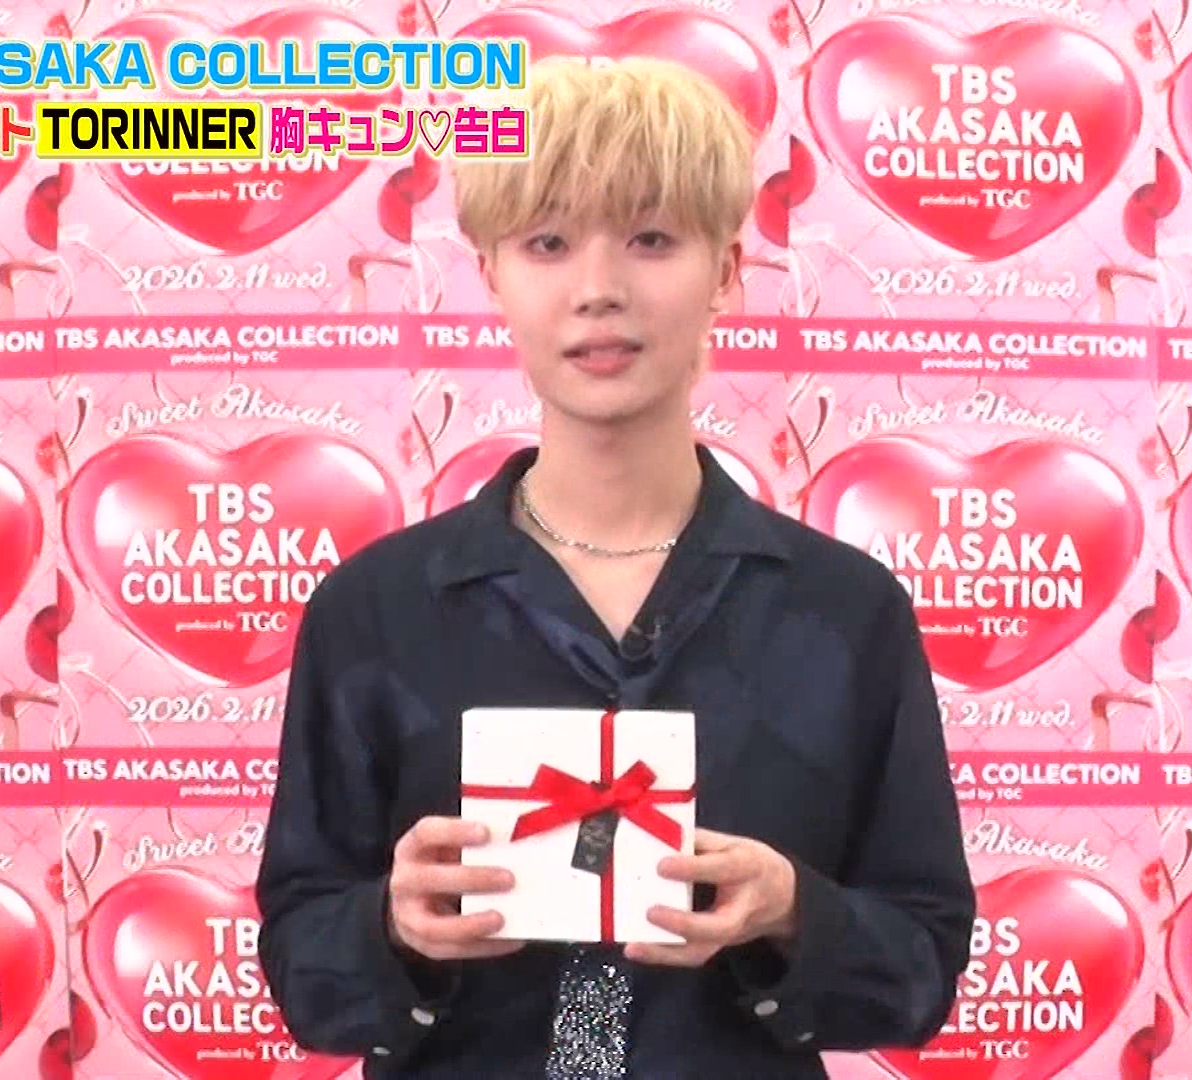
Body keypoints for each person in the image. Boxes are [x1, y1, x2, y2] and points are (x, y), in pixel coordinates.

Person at [255, 56, 975, 1078]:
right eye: (548, 243)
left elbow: (923, 971)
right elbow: (301, 971)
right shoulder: (375, 609)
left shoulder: (844, 612)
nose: (598, 290)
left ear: (725, 271)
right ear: (491, 272)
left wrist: (792, 913)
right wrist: (390, 927)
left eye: (651, 239)